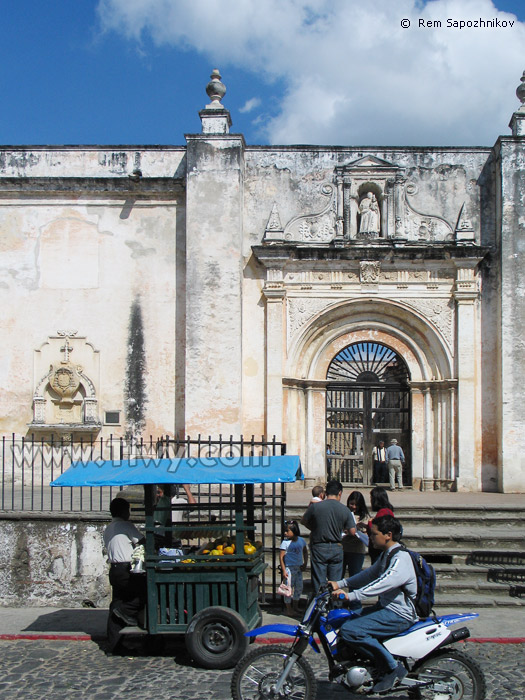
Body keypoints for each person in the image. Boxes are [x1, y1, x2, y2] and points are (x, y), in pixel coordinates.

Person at [329, 515, 417, 693]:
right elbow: (369, 574)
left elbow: (382, 583)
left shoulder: (401, 559)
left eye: (374, 533)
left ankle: (391, 668)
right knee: (347, 621)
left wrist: (351, 597)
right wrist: (340, 583)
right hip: (386, 607)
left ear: (388, 535)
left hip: (399, 614)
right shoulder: (388, 554)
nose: (370, 537)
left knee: (350, 630)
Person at [103, 497, 146, 654]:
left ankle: (113, 645)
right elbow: (142, 540)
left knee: (116, 603)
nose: (129, 513)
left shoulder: (109, 528)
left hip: (114, 570)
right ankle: (125, 612)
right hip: (126, 570)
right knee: (141, 596)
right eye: (128, 510)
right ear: (122, 511)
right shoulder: (125, 525)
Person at [301, 479, 355, 592]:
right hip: (336, 546)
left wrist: (315, 528)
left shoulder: (316, 507)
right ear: (339, 493)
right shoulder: (344, 510)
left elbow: (304, 521)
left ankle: (319, 605)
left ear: (325, 493)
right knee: (335, 582)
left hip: (319, 545)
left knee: (318, 581)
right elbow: (352, 531)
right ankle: (333, 605)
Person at [279, 520, 308, 616]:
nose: (285, 533)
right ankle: (289, 608)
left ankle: (296, 606)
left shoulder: (301, 541)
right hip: (289, 568)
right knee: (288, 589)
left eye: (287, 531)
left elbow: (305, 551)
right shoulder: (285, 543)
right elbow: (281, 557)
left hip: (298, 568)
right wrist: (283, 570)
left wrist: (305, 563)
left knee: (299, 587)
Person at [342, 491, 370, 577]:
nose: (354, 507)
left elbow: (368, 534)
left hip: (357, 550)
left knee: (355, 576)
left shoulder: (365, 517)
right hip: (343, 548)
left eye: (356, 505)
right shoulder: (343, 514)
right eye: (351, 504)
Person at [368, 487, 395, 563]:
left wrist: (370, 523)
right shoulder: (386, 511)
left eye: (371, 498)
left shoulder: (383, 512)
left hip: (379, 550)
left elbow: (377, 530)